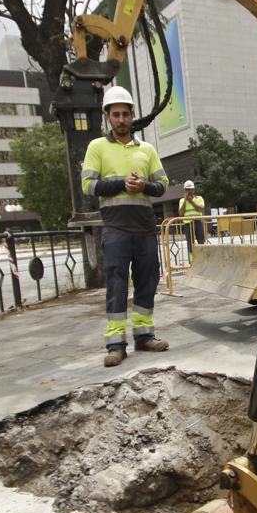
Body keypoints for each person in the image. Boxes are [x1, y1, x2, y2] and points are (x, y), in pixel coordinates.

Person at [81, 86, 170, 368]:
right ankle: (116, 345)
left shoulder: (147, 150)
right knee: (117, 285)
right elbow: (88, 185)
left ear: (132, 116)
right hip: (116, 229)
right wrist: (122, 183)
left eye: (126, 114)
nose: (121, 119)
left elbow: (163, 186)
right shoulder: (97, 147)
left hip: (144, 229)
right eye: (116, 114)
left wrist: (144, 186)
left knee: (147, 281)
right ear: (108, 117)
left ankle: (144, 337)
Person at [180, 179, 206, 250]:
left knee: (201, 241)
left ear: (194, 190)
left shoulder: (199, 198)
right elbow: (181, 213)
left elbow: (201, 209)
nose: (189, 191)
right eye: (187, 190)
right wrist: (185, 201)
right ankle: (191, 257)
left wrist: (191, 201)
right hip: (187, 223)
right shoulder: (182, 200)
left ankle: (201, 256)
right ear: (185, 190)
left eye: (190, 189)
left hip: (198, 222)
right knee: (190, 243)